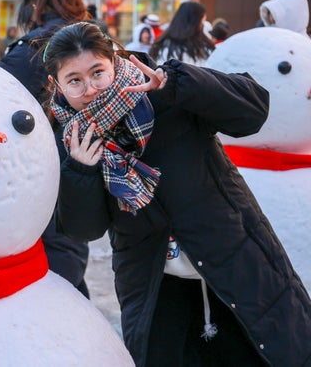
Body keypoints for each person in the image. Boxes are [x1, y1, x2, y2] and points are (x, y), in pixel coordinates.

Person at [42, 21, 311, 367]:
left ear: (114, 60)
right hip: (154, 284)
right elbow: (84, 230)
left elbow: (253, 110)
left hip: (235, 262)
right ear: (57, 85)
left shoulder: (164, 93)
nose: (90, 88)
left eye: (97, 72)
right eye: (75, 80)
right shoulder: (70, 138)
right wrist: (80, 170)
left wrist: (179, 83)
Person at [0, 0, 92, 299]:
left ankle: (58, 314)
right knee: (71, 244)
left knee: (51, 248)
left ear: (33, 7)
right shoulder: (93, 44)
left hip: (39, 165)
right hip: (89, 161)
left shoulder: (27, 51)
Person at [149, 1, 215, 66]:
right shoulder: (202, 47)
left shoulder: (163, 45)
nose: (203, 25)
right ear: (195, 22)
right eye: (202, 21)